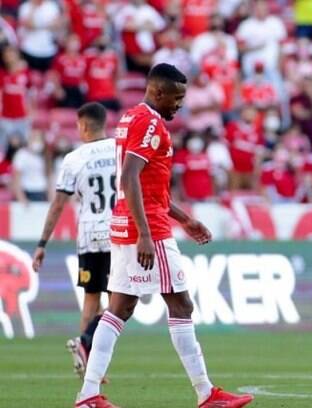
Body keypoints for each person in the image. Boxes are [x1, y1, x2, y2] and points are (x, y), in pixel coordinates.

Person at [73, 63, 253, 408]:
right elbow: (129, 178)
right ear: (158, 92)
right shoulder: (150, 123)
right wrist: (144, 233)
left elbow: (149, 187)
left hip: (128, 223)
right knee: (181, 304)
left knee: (119, 308)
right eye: (177, 97)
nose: (180, 104)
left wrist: (185, 219)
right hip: (148, 230)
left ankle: (88, 393)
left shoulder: (130, 117)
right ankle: (206, 393)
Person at [32, 103, 114, 379]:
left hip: (90, 235)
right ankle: (88, 347)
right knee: (121, 305)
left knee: (91, 300)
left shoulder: (74, 159)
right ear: (105, 123)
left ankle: (90, 362)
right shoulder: (121, 150)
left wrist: (43, 243)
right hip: (119, 234)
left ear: (82, 126)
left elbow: (58, 204)